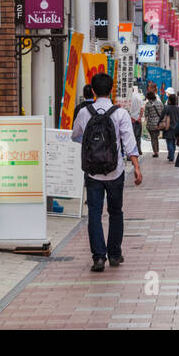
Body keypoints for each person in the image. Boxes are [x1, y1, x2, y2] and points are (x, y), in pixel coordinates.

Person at [71, 72, 142, 272]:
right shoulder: (120, 113)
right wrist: (136, 167)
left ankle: (98, 257)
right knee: (115, 212)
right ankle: (115, 254)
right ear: (111, 90)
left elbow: (75, 136)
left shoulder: (85, 113)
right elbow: (129, 143)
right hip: (115, 171)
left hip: (92, 172)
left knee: (94, 213)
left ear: (92, 90)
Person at [160, 92, 179, 162]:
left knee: (169, 142)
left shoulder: (166, 108)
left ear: (169, 100)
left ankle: (171, 156)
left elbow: (162, 116)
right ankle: (171, 154)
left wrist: (159, 123)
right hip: (176, 128)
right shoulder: (178, 109)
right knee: (173, 141)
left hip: (168, 127)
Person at [143, 89, 166, 157]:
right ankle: (157, 150)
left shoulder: (148, 104)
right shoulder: (160, 103)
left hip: (151, 124)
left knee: (153, 138)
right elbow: (163, 112)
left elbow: (146, 115)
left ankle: (155, 152)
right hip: (159, 124)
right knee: (156, 137)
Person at [128, 85, 145, 155]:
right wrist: (139, 117)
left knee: (131, 137)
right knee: (138, 137)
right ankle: (139, 150)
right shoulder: (138, 97)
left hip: (130, 120)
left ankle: (132, 152)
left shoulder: (127, 99)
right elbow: (142, 108)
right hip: (138, 120)